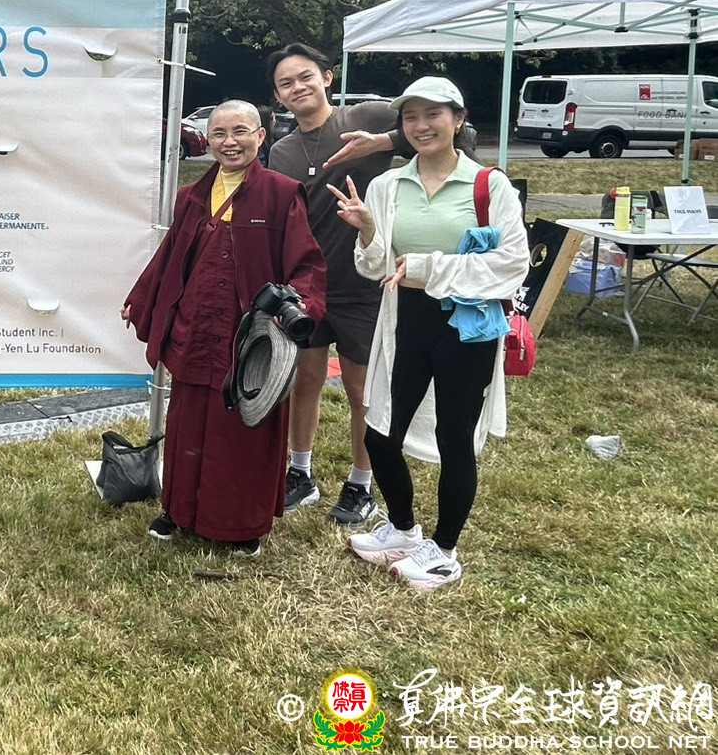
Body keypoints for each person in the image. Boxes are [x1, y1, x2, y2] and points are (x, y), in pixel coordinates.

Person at [328, 77, 528, 591]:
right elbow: (375, 268)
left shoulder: (490, 186)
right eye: (410, 116)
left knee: (453, 437)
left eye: (432, 114)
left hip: (467, 325)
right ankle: (401, 528)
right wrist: (368, 232)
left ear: (458, 120)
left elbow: (512, 264)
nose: (421, 126)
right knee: (380, 432)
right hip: (405, 321)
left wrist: (426, 267)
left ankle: (444, 550)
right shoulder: (387, 186)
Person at [123, 101, 326, 555]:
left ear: (261, 136)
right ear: (208, 140)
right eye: (218, 133)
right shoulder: (191, 195)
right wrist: (141, 298)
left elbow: (306, 264)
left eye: (240, 132)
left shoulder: (281, 194)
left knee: (244, 425)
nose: (229, 142)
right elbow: (171, 256)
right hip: (196, 325)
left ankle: (240, 525)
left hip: (249, 334)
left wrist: (298, 306)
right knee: (188, 419)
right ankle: (179, 510)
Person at [265, 43, 415, 526]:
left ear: (327, 78)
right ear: (278, 97)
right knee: (304, 380)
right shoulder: (282, 151)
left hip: (362, 282)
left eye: (305, 76)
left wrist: (381, 143)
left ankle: (360, 484)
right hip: (307, 287)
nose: (298, 88)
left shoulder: (365, 115)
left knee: (359, 389)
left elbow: (447, 132)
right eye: (286, 84)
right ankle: (300, 474)